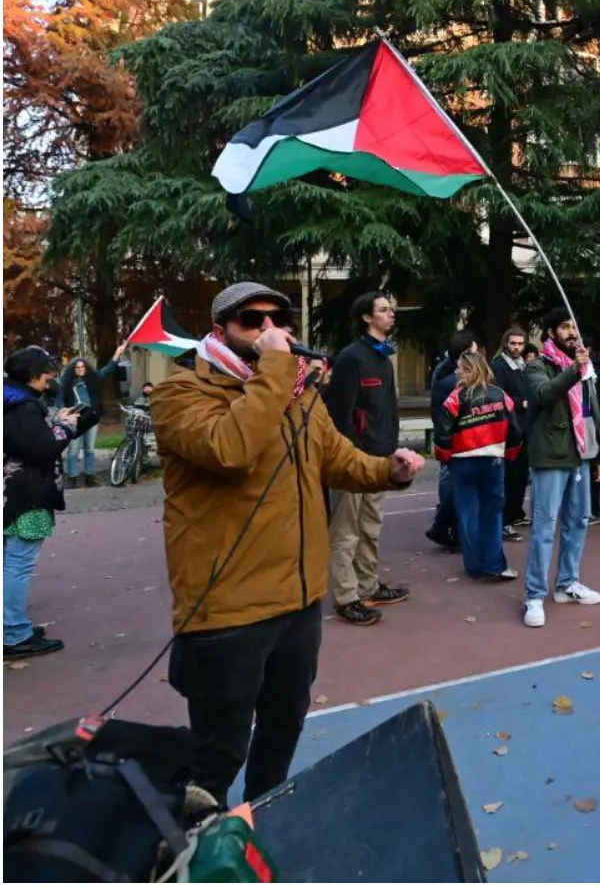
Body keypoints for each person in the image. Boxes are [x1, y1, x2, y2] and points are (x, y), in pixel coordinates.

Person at [151, 282, 422, 804]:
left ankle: (261, 825)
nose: (271, 329)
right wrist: (275, 369)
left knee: (281, 732)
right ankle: (195, 855)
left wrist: (389, 470)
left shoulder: (296, 398)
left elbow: (339, 460)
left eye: (279, 318)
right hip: (226, 612)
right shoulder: (180, 393)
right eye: (254, 321)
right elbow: (231, 449)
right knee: (217, 755)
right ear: (220, 331)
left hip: (297, 604)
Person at [4, 346, 97, 659]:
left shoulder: (12, 400)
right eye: (47, 371)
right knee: (17, 563)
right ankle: (13, 634)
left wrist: (53, 421)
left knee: (9, 561)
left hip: (11, 492)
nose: (51, 377)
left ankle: (11, 624)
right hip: (24, 495)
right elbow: (43, 448)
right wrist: (66, 427)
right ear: (31, 374)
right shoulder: (22, 407)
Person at [323, 292, 408, 626]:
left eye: (392, 309)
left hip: (380, 461)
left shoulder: (383, 358)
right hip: (351, 462)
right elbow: (339, 416)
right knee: (345, 532)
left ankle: (368, 585)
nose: (391, 315)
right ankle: (346, 598)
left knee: (370, 527)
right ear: (366, 317)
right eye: (384, 310)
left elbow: (387, 411)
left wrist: (391, 451)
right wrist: (347, 459)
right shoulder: (351, 358)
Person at [523, 307, 600, 628]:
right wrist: (574, 370)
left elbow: (591, 411)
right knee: (544, 526)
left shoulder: (583, 367)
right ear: (550, 334)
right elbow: (544, 394)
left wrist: (599, 454)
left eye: (574, 327)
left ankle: (566, 583)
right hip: (550, 455)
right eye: (564, 327)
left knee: (579, 520)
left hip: (582, 454)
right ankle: (534, 595)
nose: (572, 333)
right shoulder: (537, 366)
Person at [436, 351, 520, 582]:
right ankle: (494, 564)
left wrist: (445, 457)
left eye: (460, 368)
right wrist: (510, 454)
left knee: (467, 514)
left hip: (462, 461)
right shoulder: (500, 395)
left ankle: (473, 567)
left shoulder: (455, 398)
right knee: (492, 513)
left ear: (469, 370)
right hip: (493, 460)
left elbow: (442, 434)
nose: (456, 372)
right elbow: (515, 430)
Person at [426, 330, 477, 553]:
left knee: (456, 487)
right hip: (457, 441)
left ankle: (449, 527)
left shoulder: (445, 373)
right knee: (453, 487)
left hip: (456, 439)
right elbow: (442, 413)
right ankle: (444, 526)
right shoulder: (450, 379)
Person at [55, 344, 127, 487]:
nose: (81, 369)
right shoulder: (66, 383)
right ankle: (73, 478)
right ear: (73, 369)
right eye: (78, 367)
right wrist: (63, 411)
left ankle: (89, 477)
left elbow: (107, 370)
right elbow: (60, 399)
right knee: (73, 450)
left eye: (83, 367)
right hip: (74, 419)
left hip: (91, 418)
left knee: (89, 448)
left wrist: (117, 353)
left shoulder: (92, 379)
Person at [492, 327, 535, 541]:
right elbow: (498, 394)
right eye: (513, 343)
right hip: (510, 428)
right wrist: (522, 402)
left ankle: (516, 513)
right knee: (511, 476)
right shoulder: (499, 365)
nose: (517, 347)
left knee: (521, 475)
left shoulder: (521, 365)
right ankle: (505, 521)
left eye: (520, 343)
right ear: (505, 343)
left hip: (524, 426)